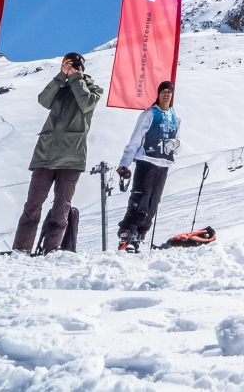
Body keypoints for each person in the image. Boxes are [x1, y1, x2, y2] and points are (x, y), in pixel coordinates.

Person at [13, 52, 100, 255]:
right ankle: (21, 249)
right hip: (45, 154)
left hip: (72, 156)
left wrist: (76, 78)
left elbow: (86, 103)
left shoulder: (92, 89)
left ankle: (51, 250)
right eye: (67, 64)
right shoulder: (60, 87)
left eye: (76, 64)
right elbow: (43, 100)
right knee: (32, 205)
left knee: (61, 208)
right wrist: (61, 77)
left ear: (82, 68)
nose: (71, 67)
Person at [115, 80, 180, 252]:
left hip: (163, 164)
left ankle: (139, 236)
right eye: (163, 91)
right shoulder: (150, 114)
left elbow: (178, 145)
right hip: (146, 161)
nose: (166, 94)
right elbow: (136, 139)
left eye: (169, 92)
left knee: (153, 203)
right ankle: (127, 234)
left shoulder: (175, 117)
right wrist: (124, 164)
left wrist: (176, 144)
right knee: (139, 199)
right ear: (158, 94)